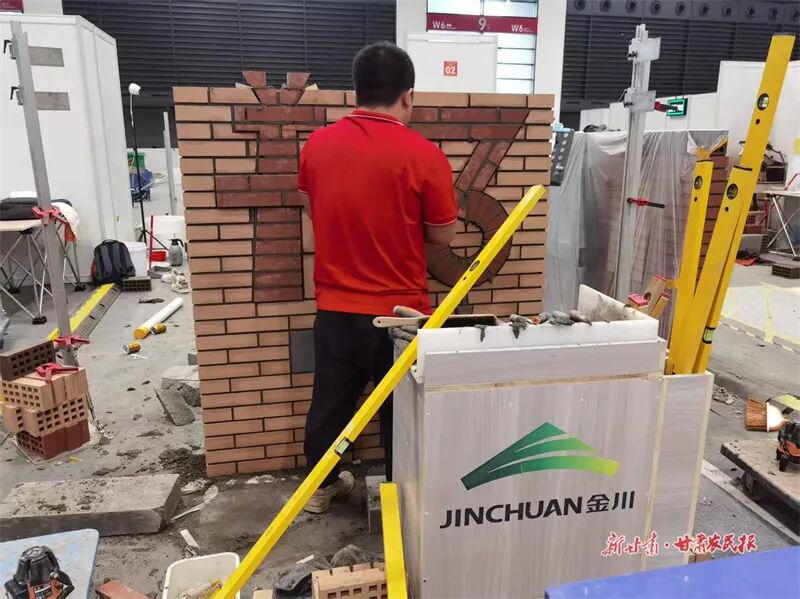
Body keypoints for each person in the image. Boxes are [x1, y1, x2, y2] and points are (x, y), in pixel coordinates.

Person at [297, 41, 457, 513]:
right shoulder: (424, 155)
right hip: (400, 314)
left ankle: (320, 490)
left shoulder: (317, 146)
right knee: (399, 412)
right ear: (408, 95)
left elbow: (311, 207)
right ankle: (400, 498)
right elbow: (442, 235)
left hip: (335, 308)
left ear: (357, 91)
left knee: (330, 405)